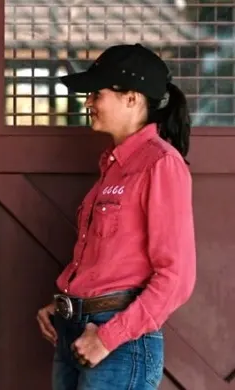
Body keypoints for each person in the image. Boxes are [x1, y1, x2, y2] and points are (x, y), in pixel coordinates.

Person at [36, 43, 197, 390]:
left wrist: (109, 337)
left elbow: (177, 277)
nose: (88, 103)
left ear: (132, 98)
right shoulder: (112, 167)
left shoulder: (160, 164)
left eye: (97, 93)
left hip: (116, 344)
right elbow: (110, 263)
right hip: (76, 332)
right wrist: (66, 301)